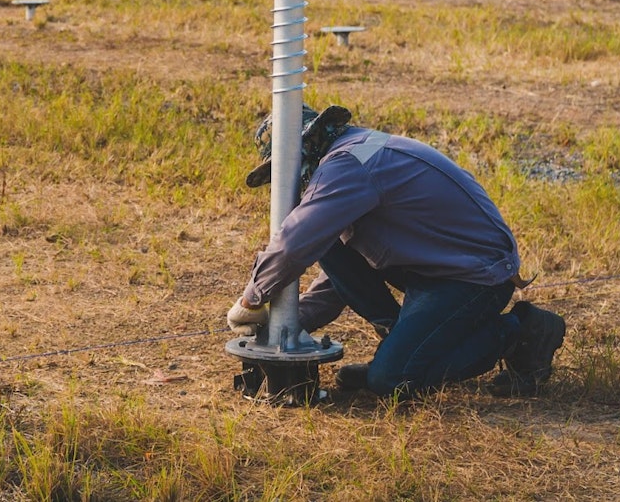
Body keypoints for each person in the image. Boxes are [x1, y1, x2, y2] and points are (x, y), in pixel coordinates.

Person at [226, 104, 566, 398]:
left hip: (474, 276)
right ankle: (403, 344)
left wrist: (252, 300)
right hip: (434, 267)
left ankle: (518, 331)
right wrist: (287, 323)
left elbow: (293, 241)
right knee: (327, 242)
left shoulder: (347, 165)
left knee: (391, 380)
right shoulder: (352, 155)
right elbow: (340, 274)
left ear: (305, 148)